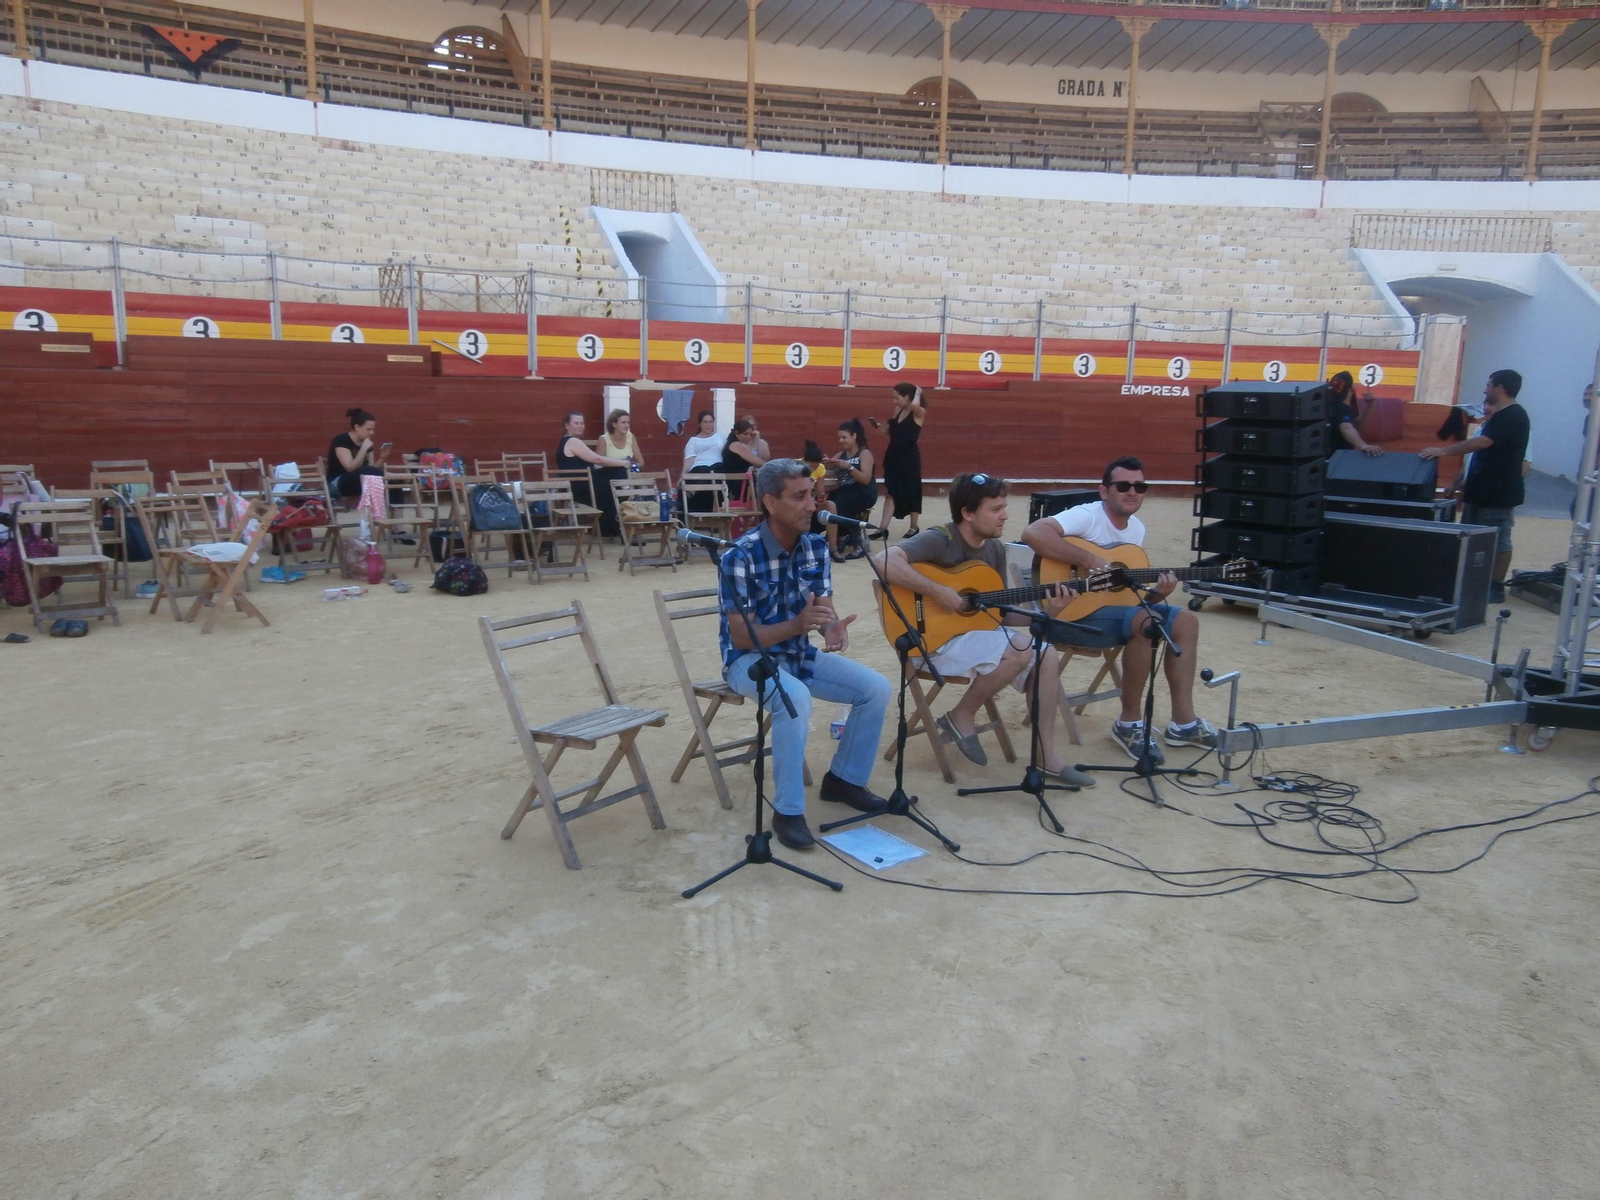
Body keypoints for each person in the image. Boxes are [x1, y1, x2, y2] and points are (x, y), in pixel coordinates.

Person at [875, 472, 1095, 789]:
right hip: (929, 643)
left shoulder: (994, 549)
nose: (1005, 515)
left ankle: (1046, 756)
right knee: (1018, 651)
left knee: (1044, 653)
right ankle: (962, 714)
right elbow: (883, 561)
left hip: (971, 641)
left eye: (1004, 506)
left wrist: (1049, 611)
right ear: (968, 512)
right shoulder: (941, 537)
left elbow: (999, 617)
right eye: (996, 508)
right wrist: (939, 592)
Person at [718, 459, 893, 851]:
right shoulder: (739, 556)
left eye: (812, 495)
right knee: (793, 700)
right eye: (800, 497)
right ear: (770, 502)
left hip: (798, 655)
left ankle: (844, 780)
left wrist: (830, 626)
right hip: (748, 662)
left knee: (876, 688)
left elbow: (822, 610)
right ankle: (788, 811)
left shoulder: (816, 546)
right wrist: (799, 625)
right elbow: (742, 637)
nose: (813, 505)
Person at [1022, 456, 1218, 764]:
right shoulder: (1087, 516)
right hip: (1065, 615)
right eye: (1123, 485)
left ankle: (1184, 723)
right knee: (1144, 622)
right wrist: (1091, 561)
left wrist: (1156, 594)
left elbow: (1126, 601)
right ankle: (1128, 724)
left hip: (1113, 618)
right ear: (1104, 491)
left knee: (1186, 621)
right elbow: (1033, 533)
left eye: (1139, 486)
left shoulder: (1135, 531)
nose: (1132, 492)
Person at [1420, 369, 1530, 604]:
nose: (1485, 390)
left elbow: (1482, 443)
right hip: (1479, 491)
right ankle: (1472, 581)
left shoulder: (1513, 416)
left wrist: (1443, 451)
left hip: (1499, 493)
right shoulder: (1499, 418)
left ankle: (1495, 586)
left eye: (1489, 385)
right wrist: (1459, 482)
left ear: (1500, 388)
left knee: (1498, 539)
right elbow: (1474, 456)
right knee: (1472, 536)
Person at [556, 411, 632, 539]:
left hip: (584, 482)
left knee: (615, 474)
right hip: (580, 486)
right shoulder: (572, 441)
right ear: (567, 425)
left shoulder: (569, 441)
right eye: (576, 423)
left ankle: (612, 526)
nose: (580, 426)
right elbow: (597, 459)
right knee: (616, 482)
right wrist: (623, 462)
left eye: (582, 423)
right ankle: (619, 524)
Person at [871, 382, 926, 539]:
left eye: (897, 398)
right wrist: (878, 427)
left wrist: (918, 394)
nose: (894, 401)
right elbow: (892, 432)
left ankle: (914, 527)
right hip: (894, 455)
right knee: (890, 491)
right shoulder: (898, 410)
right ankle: (883, 528)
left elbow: (915, 407)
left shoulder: (919, 411)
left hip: (909, 457)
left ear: (907, 397)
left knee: (912, 490)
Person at [824, 418, 879, 562]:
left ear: (854, 436)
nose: (841, 441)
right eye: (839, 438)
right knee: (828, 501)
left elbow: (866, 479)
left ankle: (854, 543)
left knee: (839, 503)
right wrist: (825, 462)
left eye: (844, 437)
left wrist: (848, 467)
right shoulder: (840, 456)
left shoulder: (864, 453)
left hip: (863, 492)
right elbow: (828, 467)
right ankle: (839, 538)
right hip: (846, 491)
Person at [327, 407, 388, 499]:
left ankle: (397, 511)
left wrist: (382, 457)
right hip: (338, 483)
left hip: (361, 480)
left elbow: (372, 469)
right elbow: (350, 467)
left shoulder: (367, 443)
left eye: (373, 429)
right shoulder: (342, 440)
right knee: (366, 471)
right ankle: (388, 477)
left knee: (391, 483)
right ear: (357, 427)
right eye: (368, 429)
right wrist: (363, 449)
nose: (372, 432)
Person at [1326, 371, 1382, 459]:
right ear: (1352, 389)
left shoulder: (1333, 406)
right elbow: (1346, 427)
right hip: (1337, 459)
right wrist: (1363, 445)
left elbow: (1355, 427)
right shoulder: (1342, 408)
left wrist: (1370, 406)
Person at [681, 410, 724, 515]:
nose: (708, 424)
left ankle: (696, 489)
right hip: (699, 468)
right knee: (705, 470)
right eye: (705, 422)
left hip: (717, 467)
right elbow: (689, 459)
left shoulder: (720, 437)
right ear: (700, 424)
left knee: (717, 468)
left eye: (710, 421)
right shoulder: (693, 440)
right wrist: (682, 476)